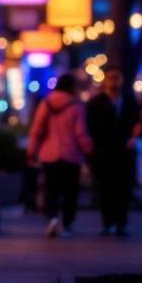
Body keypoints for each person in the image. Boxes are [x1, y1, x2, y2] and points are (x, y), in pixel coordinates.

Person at [27, 73, 93, 238]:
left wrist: (32, 151)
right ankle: (68, 224)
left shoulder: (46, 103)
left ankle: (52, 218)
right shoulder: (77, 106)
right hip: (71, 155)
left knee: (51, 188)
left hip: (49, 154)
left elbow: (37, 130)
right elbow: (81, 133)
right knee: (70, 191)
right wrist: (89, 149)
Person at [87, 65, 141, 236]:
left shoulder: (129, 100)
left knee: (122, 188)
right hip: (104, 151)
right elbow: (90, 127)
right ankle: (108, 222)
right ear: (105, 80)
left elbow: (137, 121)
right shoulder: (96, 102)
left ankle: (121, 222)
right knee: (105, 189)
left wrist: (134, 137)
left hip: (124, 151)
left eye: (116, 78)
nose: (113, 82)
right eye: (110, 78)